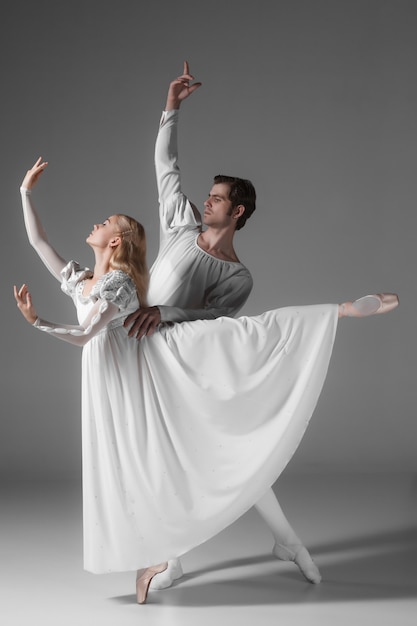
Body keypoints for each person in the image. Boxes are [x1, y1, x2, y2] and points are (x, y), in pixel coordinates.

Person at [123, 62, 382, 591]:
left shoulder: (238, 277)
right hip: (140, 355)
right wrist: (171, 108)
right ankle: (233, 547)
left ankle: (195, 555)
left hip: (183, 366)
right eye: (209, 195)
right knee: (185, 461)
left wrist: (167, 313)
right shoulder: (179, 223)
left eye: (217, 198)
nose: (208, 200)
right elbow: (164, 164)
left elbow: (212, 325)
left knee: (215, 457)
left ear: (237, 212)